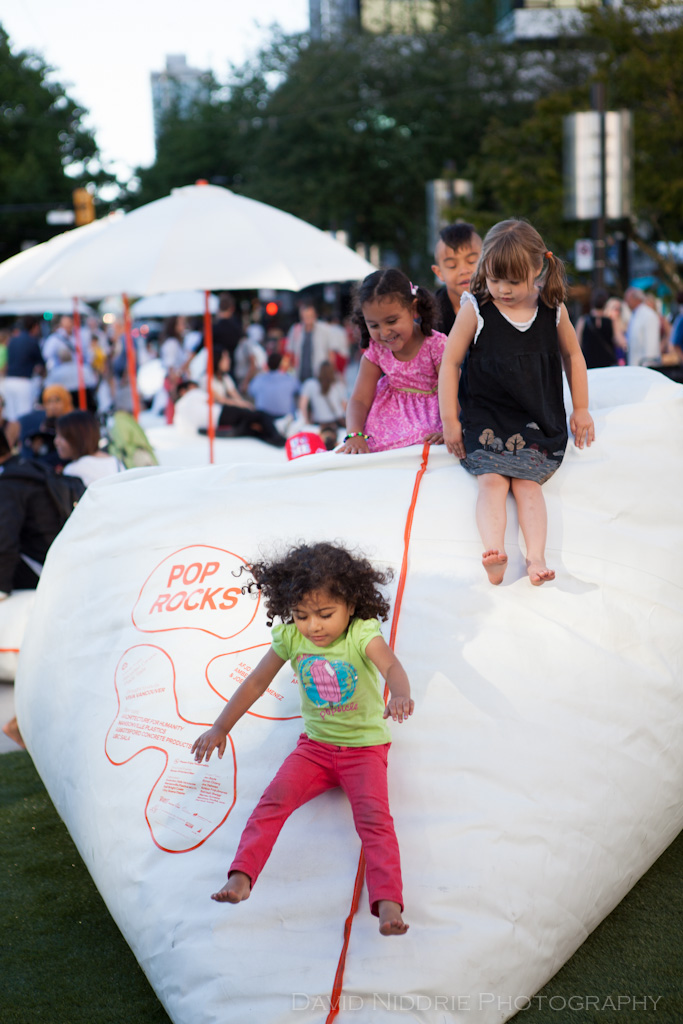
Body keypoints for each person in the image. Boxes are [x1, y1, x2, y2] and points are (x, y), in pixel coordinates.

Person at [191, 541, 413, 936]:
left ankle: (388, 904)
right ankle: (241, 876)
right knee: (272, 803)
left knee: (375, 822)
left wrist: (399, 693)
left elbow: (392, 665)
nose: (314, 626)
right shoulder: (291, 638)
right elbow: (255, 682)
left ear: (350, 605)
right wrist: (220, 726)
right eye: (302, 615)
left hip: (364, 751)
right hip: (315, 750)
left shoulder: (361, 633)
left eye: (326, 614)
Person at [439, 219, 595, 586]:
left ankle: (536, 558)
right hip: (487, 416)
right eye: (495, 280)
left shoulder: (552, 309)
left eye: (513, 281)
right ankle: (494, 554)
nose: (503, 290)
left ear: (538, 269)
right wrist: (450, 420)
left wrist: (581, 408)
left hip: (535, 417)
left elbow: (573, 356)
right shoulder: (475, 309)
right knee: (492, 481)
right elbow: (450, 362)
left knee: (528, 486)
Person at [339, 269, 446, 454]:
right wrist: (354, 434)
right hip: (387, 422)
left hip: (435, 419)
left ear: (413, 309)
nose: (384, 332)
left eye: (391, 321)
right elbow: (359, 399)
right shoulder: (377, 350)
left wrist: (451, 426)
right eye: (374, 325)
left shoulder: (436, 346)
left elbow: (456, 391)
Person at [209, 350, 286, 447]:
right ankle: (277, 438)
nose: (228, 360)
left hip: (231, 411)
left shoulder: (225, 378)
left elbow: (236, 396)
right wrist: (242, 405)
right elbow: (220, 400)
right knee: (261, 416)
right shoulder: (208, 379)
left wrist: (246, 405)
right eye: (225, 358)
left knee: (256, 420)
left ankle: (274, 437)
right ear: (217, 360)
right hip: (221, 413)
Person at [431, 222, 483, 334]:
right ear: (439, 273)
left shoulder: (502, 302)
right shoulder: (431, 316)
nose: (464, 271)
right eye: (452, 266)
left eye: (472, 261)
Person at [55, 411, 122, 486]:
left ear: (77, 437)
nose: (56, 441)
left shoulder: (73, 470)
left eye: (61, 436)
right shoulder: (115, 461)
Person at [285, 302, 341, 384]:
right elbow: (289, 353)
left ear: (315, 315)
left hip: (319, 375)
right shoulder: (296, 329)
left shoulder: (325, 329)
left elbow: (331, 354)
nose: (307, 319)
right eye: (305, 316)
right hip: (300, 375)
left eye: (310, 316)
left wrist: (330, 373)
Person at [1, 316, 45, 419]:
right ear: (35, 326)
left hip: (9, 381)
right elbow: (41, 364)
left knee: (11, 416)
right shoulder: (32, 341)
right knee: (24, 417)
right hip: (23, 382)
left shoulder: (13, 340)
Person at [298, 360, 347, 432]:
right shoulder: (338, 385)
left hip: (318, 424)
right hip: (336, 424)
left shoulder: (310, 384)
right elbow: (344, 406)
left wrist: (306, 421)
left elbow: (302, 405)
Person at [575, 287, 618, 369]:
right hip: (607, 365)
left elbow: (577, 343)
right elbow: (618, 340)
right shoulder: (611, 321)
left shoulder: (583, 320)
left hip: (589, 365)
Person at [248, 352, 299, 418]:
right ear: (281, 365)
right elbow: (300, 392)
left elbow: (251, 392)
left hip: (264, 418)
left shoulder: (258, 379)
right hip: (285, 418)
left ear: (267, 364)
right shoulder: (291, 380)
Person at [623, 288, 660, 367]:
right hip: (635, 366)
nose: (626, 302)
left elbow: (651, 345)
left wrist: (647, 366)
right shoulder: (634, 315)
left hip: (645, 367)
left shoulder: (648, 315)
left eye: (628, 299)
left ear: (636, 299)